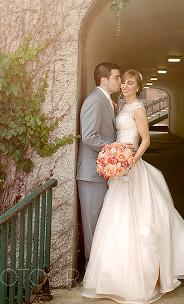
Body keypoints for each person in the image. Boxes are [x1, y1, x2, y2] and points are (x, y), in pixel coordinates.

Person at [82, 70, 184, 303]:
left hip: (131, 166)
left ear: (138, 87)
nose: (125, 86)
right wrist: (116, 158)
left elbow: (145, 140)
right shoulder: (121, 107)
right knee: (117, 219)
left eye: (130, 83)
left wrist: (130, 161)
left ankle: (142, 277)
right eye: (123, 82)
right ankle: (114, 275)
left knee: (142, 221)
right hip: (120, 168)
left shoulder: (138, 109)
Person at [77, 62, 122, 262]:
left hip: (101, 173)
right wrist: (116, 149)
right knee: (93, 226)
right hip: (91, 174)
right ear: (104, 80)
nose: (120, 81)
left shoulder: (107, 101)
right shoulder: (94, 101)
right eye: (117, 78)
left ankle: (100, 271)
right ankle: (92, 275)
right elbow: (89, 136)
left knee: (102, 225)